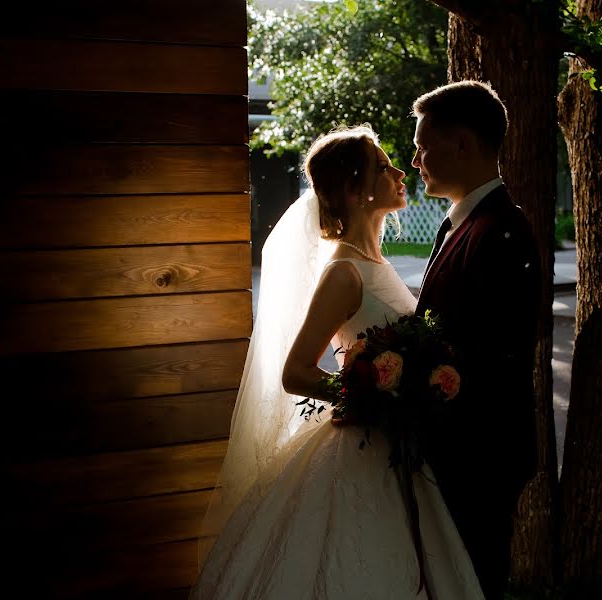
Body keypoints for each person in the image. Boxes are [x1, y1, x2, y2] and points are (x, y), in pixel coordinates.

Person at [191, 125, 484, 599]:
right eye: (384, 168)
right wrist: (369, 392)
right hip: (359, 452)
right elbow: (297, 372)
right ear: (355, 188)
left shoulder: (378, 264)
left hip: (397, 448)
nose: (398, 174)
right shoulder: (343, 273)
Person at [412, 81, 542, 599]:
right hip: (455, 453)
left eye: (424, 146)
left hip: (478, 457)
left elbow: (496, 358)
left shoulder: (500, 233)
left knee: (473, 583)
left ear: (462, 144)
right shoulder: (466, 225)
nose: (417, 159)